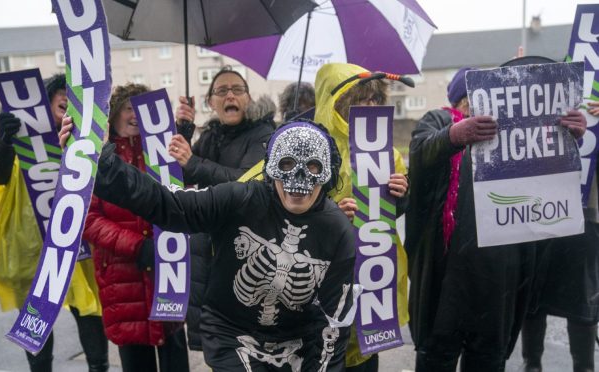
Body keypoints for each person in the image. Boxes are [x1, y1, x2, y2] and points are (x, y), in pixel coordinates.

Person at [60, 118, 357, 371]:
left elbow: (334, 321)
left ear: (328, 173)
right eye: (288, 164)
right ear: (271, 168)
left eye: (314, 167)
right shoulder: (240, 199)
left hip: (298, 338)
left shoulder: (337, 230)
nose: (299, 178)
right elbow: (168, 205)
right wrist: (101, 162)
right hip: (232, 332)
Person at [406, 66, 587, 371]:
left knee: (489, 359)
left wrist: (569, 137)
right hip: (447, 277)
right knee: (437, 356)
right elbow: (420, 153)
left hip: (499, 278)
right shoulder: (437, 120)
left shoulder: (516, 132)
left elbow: (548, 185)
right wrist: (453, 136)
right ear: (462, 99)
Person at [0, 73, 108, 372]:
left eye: (72, 95)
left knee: (89, 314)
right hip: (30, 251)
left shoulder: (85, 141)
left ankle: (99, 367)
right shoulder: (23, 140)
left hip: (77, 249)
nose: (67, 97)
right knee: (36, 329)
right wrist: (3, 139)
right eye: (60, 94)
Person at [80, 83, 189, 372]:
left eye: (143, 108)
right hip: (121, 276)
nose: (136, 115)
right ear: (114, 114)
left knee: (175, 355)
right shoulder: (99, 159)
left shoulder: (165, 154)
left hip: (168, 272)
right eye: (130, 108)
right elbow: (87, 219)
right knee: (136, 359)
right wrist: (136, 245)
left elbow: (187, 202)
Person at [171, 67, 276, 353]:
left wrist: (193, 163)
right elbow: (182, 178)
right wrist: (184, 129)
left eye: (237, 89)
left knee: (245, 352)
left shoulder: (265, 135)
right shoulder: (211, 136)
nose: (230, 95)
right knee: (216, 350)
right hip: (208, 256)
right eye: (221, 91)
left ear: (249, 98)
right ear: (210, 103)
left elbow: (245, 184)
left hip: (244, 256)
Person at [313, 62, 409, 371]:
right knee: (327, 352)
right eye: (361, 100)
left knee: (367, 352)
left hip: (373, 275)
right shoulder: (317, 150)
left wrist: (401, 194)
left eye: (375, 101)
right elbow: (295, 212)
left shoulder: (389, 154)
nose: (369, 107)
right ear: (339, 103)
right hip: (326, 276)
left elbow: (395, 214)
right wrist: (333, 215)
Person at [515, 56, 599, 372]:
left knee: (582, 303)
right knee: (532, 299)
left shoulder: (592, 107)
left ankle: (584, 367)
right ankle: (531, 365)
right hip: (536, 213)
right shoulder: (538, 103)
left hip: (584, 213)